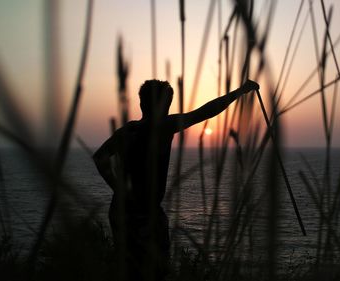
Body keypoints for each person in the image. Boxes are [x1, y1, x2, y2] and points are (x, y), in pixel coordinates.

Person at [93, 79, 259, 281]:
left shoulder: (129, 129)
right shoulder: (164, 126)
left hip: (119, 210)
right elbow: (204, 112)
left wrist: (118, 188)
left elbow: (100, 157)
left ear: (141, 103)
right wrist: (240, 91)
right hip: (145, 213)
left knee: (128, 268)